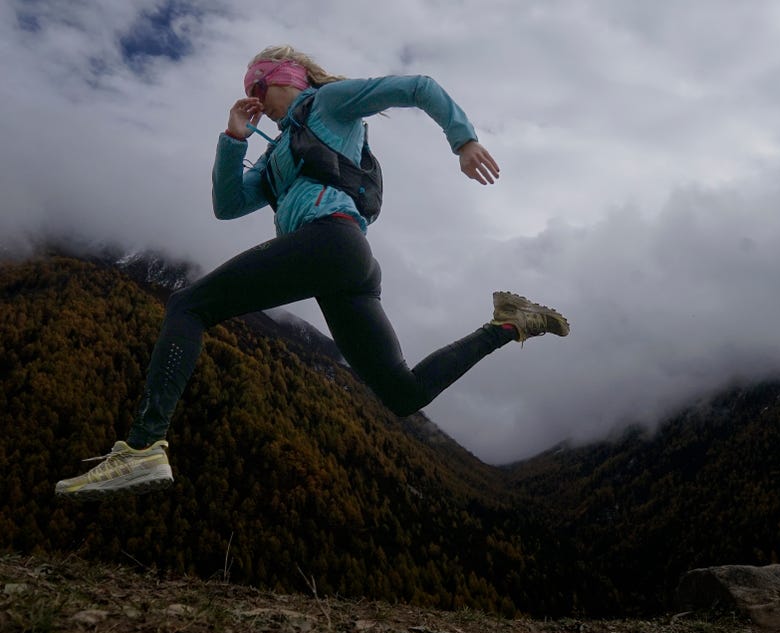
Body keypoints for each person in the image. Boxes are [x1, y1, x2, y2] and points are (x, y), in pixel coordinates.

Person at [55, 45, 569, 500]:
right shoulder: (276, 153)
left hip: (332, 239)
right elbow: (227, 205)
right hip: (347, 267)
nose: (256, 91)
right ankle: (508, 323)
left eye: (261, 81)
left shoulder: (328, 103)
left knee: (189, 305)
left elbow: (418, 86)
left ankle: (143, 446)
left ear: (292, 76)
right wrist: (234, 139)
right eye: (249, 87)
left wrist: (463, 141)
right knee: (403, 394)